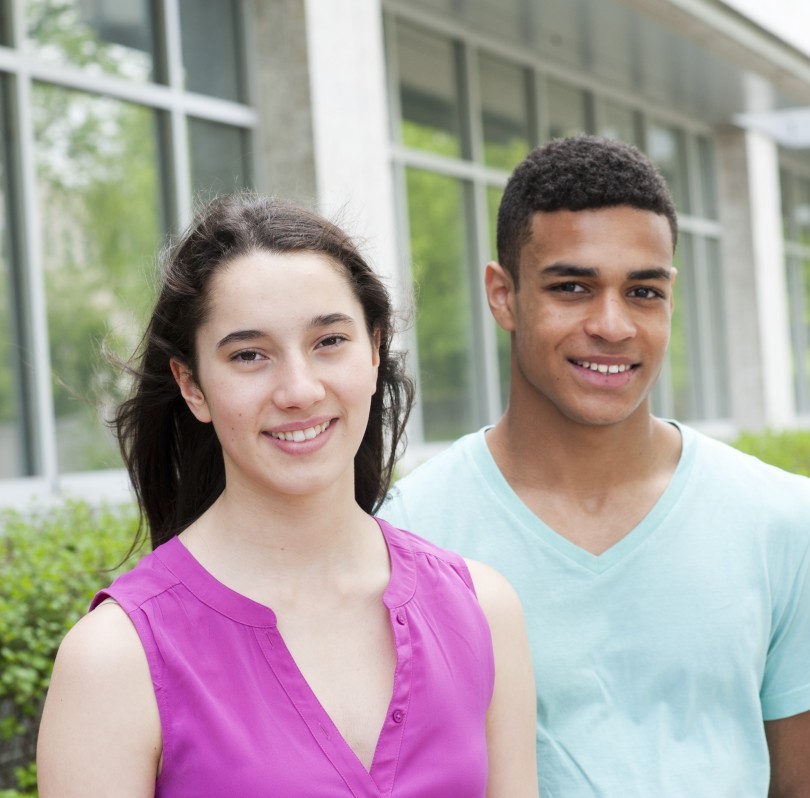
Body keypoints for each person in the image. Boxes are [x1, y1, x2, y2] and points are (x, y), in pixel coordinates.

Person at [381, 135, 810, 797]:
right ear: (503, 296)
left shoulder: (786, 522)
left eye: (644, 291)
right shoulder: (406, 533)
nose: (613, 325)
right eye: (572, 287)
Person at [37, 194, 537, 798]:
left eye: (329, 341)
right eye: (249, 355)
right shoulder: (115, 659)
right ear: (192, 386)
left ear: (375, 351)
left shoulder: (483, 610)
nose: (299, 390)